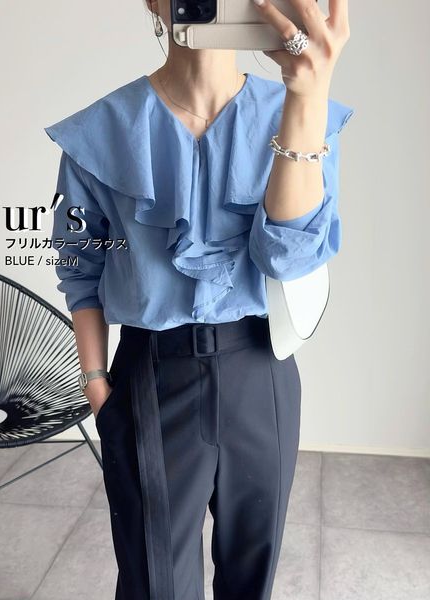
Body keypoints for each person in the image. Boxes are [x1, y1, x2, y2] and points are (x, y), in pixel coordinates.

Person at [44, 1, 353, 598]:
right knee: (154, 581)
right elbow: (80, 268)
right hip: (149, 374)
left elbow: (288, 258)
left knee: (251, 574)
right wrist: (97, 383)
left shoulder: (301, 111)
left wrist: (307, 94)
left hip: (259, 371)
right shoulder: (102, 131)